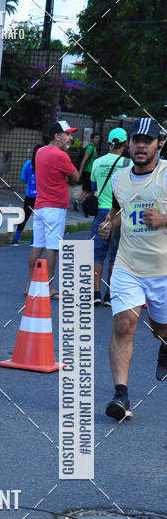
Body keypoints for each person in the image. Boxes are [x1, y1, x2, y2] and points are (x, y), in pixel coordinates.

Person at [98, 118, 167, 421]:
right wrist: (107, 225)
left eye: (147, 141)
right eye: (136, 140)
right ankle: (121, 396)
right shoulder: (119, 178)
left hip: (163, 270)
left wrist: (164, 220)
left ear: (159, 145)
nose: (141, 146)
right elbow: (120, 212)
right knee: (124, 325)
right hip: (128, 266)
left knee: (161, 331)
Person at [27, 120, 79, 297]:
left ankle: (30, 286)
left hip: (40, 206)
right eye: (68, 134)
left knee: (37, 247)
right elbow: (76, 177)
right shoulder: (61, 156)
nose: (70, 138)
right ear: (57, 136)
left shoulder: (40, 152)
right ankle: (49, 288)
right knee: (52, 248)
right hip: (55, 208)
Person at [90, 127, 130, 306]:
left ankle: (95, 292)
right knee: (115, 254)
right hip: (118, 213)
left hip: (100, 211)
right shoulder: (128, 163)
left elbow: (93, 185)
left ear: (108, 143)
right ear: (126, 143)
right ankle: (109, 294)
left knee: (98, 253)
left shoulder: (98, 162)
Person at [12, 143, 43, 245]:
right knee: (38, 219)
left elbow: (23, 178)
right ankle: (34, 240)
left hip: (29, 195)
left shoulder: (28, 164)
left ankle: (16, 239)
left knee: (24, 217)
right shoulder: (45, 165)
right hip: (41, 197)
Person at [75, 132, 101, 212]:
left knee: (92, 190)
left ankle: (89, 206)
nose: (97, 139)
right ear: (92, 139)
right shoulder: (90, 148)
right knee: (88, 189)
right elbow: (84, 160)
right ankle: (78, 201)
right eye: (96, 138)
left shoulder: (94, 148)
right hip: (88, 172)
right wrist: (80, 172)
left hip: (91, 172)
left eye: (98, 138)